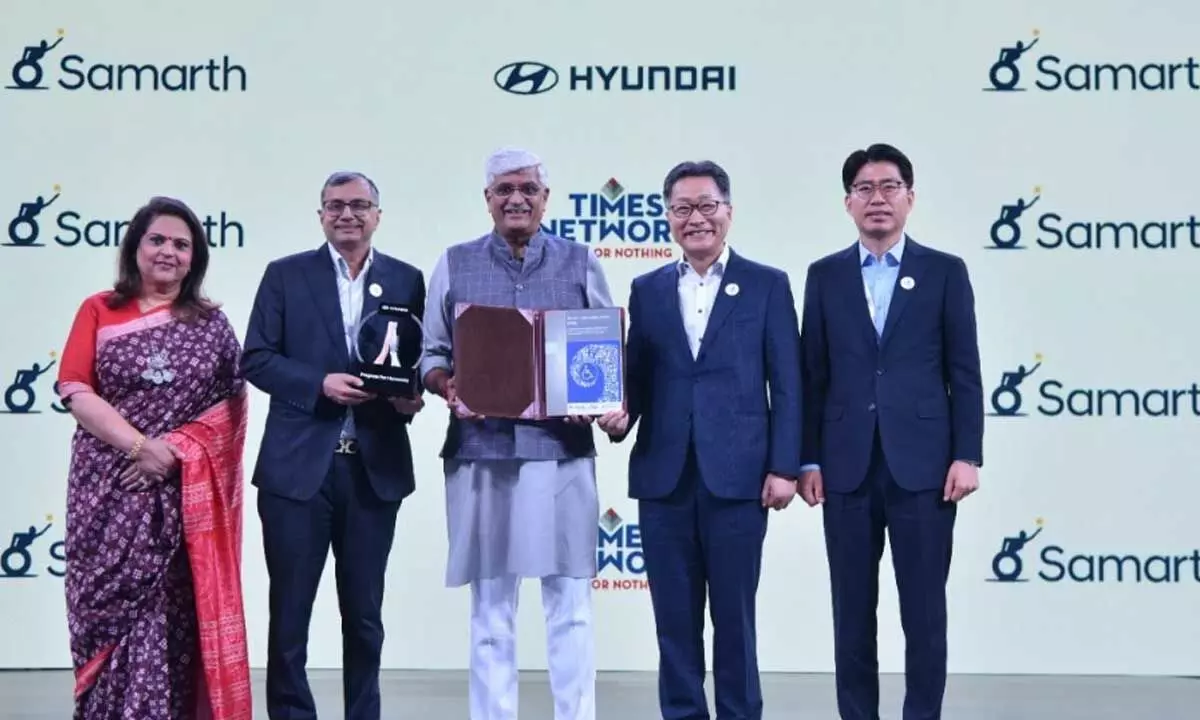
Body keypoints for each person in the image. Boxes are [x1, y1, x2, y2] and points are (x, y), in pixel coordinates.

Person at [597, 160, 802, 720]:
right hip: (664, 479)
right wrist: (620, 415)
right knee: (673, 623)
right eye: (682, 208)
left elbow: (787, 384)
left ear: (728, 211)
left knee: (735, 621)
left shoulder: (767, 284)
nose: (696, 219)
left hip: (739, 480)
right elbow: (637, 377)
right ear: (668, 217)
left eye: (707, 206)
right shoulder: (648, 289)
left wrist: (785, 466)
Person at [420, 147, 613, 720]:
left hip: (562, 453)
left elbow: (605, 352)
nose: (516, 199)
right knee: (490, 611)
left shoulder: (580, 261)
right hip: (482, 454)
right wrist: (446, 384)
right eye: (504, 189)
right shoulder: (454, 263)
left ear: (546, 198)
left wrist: (595, 399)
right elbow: (432, 353)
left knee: (570, 605)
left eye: (528, 188)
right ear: (487, 199)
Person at [797, 143, 984, 720]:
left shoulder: (944, 272)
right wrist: (808, 460)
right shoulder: (824, 275)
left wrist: (968, 454)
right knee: (851, 613)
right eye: (864, 189)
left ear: (910, 197)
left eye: (889, 187)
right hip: (846, 467)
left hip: (925, 470)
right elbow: (812, 377)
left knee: (924, 613)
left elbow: (964, 371)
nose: (877, 198)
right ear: (848, 203)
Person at [57, 196, 252, 719]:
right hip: (108, 486)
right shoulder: (99, 309)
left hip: (182, 494)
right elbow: (75, 388)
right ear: (135, 248)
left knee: (174, 613)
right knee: (106, 613)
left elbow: (231, 409)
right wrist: (141, 447)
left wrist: (176, 452)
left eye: (181, 245)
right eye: (158, 240)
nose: (168, 251)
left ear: (195, 259)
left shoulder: (211, 324)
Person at [241, 171, 427, 720]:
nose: (347, 214)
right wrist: (318, 383)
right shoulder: (285, 275)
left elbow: (414, 362)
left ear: (378, 215)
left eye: (359, 205)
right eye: (335, 205)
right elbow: (256, 358)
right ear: (320, 214)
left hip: (374, 470)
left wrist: (409, 399)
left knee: (365, 616)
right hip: (297, 472)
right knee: (290, 612)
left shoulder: (407, 279)